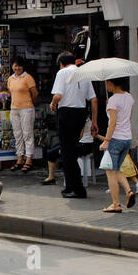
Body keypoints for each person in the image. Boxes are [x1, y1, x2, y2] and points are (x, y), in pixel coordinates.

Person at [49, 52, 97, 199]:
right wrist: (94, 121)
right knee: (71, 149)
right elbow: (93, 99)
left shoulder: (62, 73)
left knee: (67, 152)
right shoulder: (84, 73)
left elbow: (58, 95)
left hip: (66, 113)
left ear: (61, 63)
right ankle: (73, 187)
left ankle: (75, 188)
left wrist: (52, 103)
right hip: (81, 113)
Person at [97, 77, 136, 213]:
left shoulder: (113, 100)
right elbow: (128, 117)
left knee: (110, 172)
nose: (106, 85)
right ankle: (129, 191)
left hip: (115, 139)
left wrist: (106, 140)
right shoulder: (129, 97)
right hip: (127, 138)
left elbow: (112, 123)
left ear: (110, 83)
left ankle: (115, 204)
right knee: (117, 168)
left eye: (107, 82)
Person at [5, 57, 38, 172]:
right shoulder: (10, 79)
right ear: (12, 66)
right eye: (15, 65)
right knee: (17, 134)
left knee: (27, 134)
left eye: (19, 66)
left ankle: (29, 159)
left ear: (23, 67)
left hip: (27, 109)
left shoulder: (28, 77)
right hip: (14, 109)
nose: (17, 68)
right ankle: (19, 158)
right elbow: (10, 93)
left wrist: (30, 104)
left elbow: (35, 94)